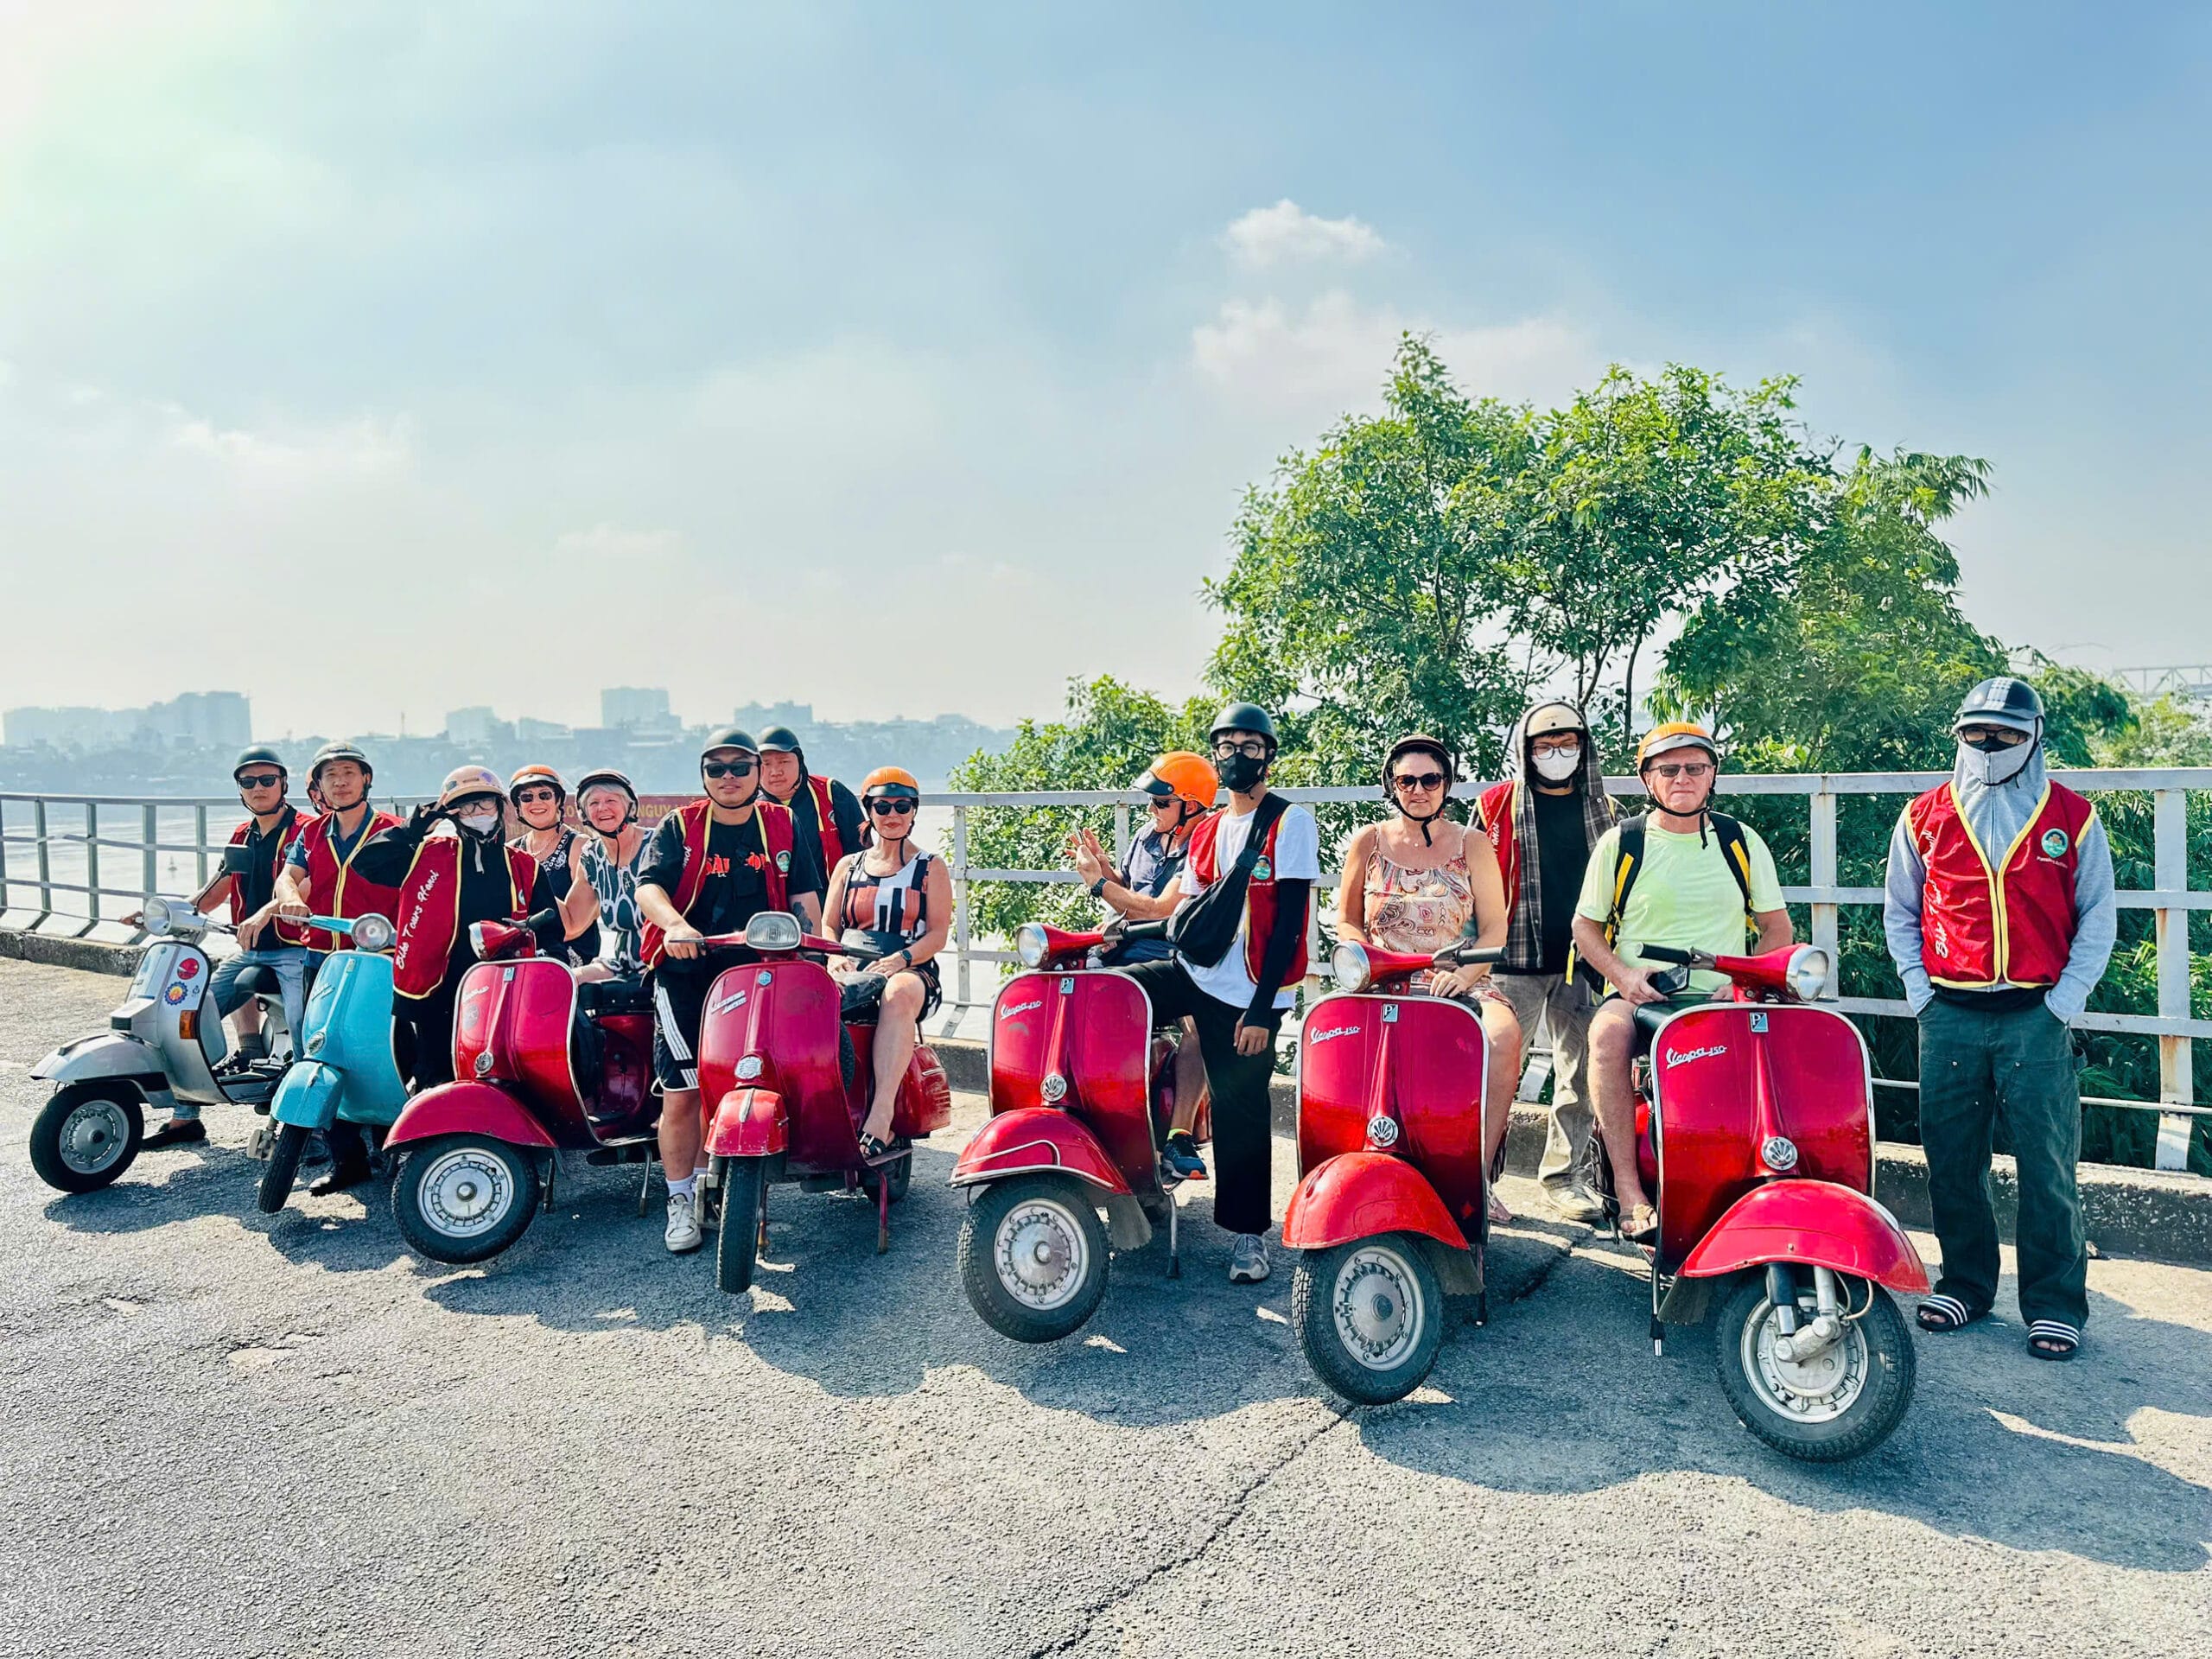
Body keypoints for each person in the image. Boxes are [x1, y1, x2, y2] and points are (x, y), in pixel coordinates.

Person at [1884, 677, 2115, 1362]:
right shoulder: (1924, 816)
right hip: (1949, 1011)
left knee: (2048, 1167)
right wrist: (1920, 993)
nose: (1990, 745)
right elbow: (1901, 910)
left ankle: (2055, 1305)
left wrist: (2063, 1002)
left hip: (2035, 1014)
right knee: (1952, 1160)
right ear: (1959, 734)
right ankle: (1966, 1284)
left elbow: (2098, 914)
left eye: (2007, 733)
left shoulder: (2072, 817)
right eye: (1977, 732)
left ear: (2034, 737)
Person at [1113, 703, 1319, 1285]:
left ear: (1268, 755)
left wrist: (1261, 1010)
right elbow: (1189, 915)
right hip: (1195, 973)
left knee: (1241, 1107)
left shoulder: (1289, 822)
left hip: (1251, 989)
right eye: (1227, 747)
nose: (1237, 756)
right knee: (1111, 995)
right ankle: (1137, 1161)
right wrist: (1122, 932)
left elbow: (1291, 924)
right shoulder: (1205, 829)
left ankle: (1249, 1235)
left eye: (1250, 746)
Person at [1570, 723, 1791, 1243]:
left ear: (1713, 775)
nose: (1682, 778)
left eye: (1695, 767)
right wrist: (1623, 976)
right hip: (1641, 993)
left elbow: (1776, 928)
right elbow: (1585, 926)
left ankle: (1767, 1170)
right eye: (1668, 769)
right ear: (1647, 779)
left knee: (1786, 1041)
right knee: (1606, 1036)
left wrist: (1741, 979)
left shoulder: (1740, 841)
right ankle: (1629, 1188)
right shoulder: (1623, 842)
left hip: (1723, 993)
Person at [635, 730, 825, 1254]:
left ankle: (717, 1184)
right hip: (687, 971)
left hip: (759, 972)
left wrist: (815, 956)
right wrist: (675, 926)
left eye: (740, 767)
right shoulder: (680, 826)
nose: (729, 777)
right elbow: (648, 886)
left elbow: (804, 895)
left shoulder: (782, 824)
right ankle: (680, 1198)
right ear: (703, 776)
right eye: (716, 769)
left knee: (747, 1078)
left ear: (757, 773)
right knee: (684, 1089)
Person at [1338, 734, 1520, 1223]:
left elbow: (1494, 927)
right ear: (1391, 785)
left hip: (1456, 976)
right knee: (1333, 1035)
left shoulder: (1472, 844)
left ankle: (1476, 1177)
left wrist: (1466, 973)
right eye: (1406, 780)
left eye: (1430, 779)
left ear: (1446, 785)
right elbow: (1348, 920)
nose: (1418, 789)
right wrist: (1366, 962)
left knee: (1503, 1036)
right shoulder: (1368, 841)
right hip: (1383, 978)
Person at [1477, 702, 1618, 1223]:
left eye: (1566, 744)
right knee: (1494, 1072)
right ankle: (1477, 1179)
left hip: (1583, 961)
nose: (1556, 754)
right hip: (1511, 958)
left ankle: (1564, 1178)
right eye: (1544, 746)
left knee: (1579, 1074)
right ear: (1526, 750)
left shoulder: (1606, 810)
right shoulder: (1495, 807)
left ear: (1584, 747)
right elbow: (1471, 879)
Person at [351, 766, 563, 1111]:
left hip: (503, 995)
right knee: (434, 1083)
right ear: (452, 813)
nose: (477, 813)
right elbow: (366, 864)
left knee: (503, 1080)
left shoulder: (525, 866)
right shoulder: (427, 853)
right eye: (465, 806)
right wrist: (420, 822)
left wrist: (551, 969)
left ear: (500, 807)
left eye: (484, 803)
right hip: (436, 991)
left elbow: (552, 933)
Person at [143, 747, 309, 1147]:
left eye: (267, 780)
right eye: (248, 782)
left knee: (305, 1032)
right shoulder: (242, 836)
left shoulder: (306, 831)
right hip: (250, 951)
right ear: (239, 789)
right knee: (186, 1014)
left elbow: (305, 885)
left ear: (283, 784)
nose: (258, 788)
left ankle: (309, 1129)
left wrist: (269, 914)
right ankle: (186, 1117)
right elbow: (214, 892)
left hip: (295, 951)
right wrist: (165, 913)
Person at [1070, 752, 1217, 1180]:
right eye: (1150, 800)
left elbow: (1159, 910)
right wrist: (1108, 872)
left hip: (1172, 955)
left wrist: (1097, 884)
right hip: (1123, 949)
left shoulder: (1203, 847)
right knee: (1062, 985)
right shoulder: (1147, 837)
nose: (1151, 809)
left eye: (1161, 802)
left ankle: (1179, 1135)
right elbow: (1132, 893)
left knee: (1199, 1025)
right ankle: (1075, 1103)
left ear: (1191, 806)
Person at [822, 767, 955, 1158]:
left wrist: (901, 959)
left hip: (912, 968)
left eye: (902, 806)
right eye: (883, 806)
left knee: (897, 994)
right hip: (852, 967)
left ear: (914, 811)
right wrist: (833, 958)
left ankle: (881, 1115)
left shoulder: (930, 866)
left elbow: (938, 934)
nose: (892, 814)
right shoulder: (848, 866)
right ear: (870, 811)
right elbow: (829, 926)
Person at [272, 741, 403, 976]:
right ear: (320, 784)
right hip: (319, 956)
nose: (340, 782)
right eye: (330, 775)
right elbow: (287, 877)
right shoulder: (312, 832)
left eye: (348, 773)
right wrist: (291, 899)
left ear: (366, 778)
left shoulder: (395, 831)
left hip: (378, 954)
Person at [507, 765, 601, 966]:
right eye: (527, 797)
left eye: (544, 795)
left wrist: (530, 876)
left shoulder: (581, 846)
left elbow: (572, 927)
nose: (536, 802)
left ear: (558, 800)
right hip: (521, 952)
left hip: (567, 957)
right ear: (518, 806)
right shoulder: (511, 851)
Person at [757, 726, 865, 887]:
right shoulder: (750, 807)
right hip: (775, 898)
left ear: (800, 762)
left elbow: (862, 854)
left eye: (783, 762)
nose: (775, 772)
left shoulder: (832, 794)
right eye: (766, 764)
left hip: (831, 894)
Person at [572, 767, 650, 982]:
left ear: (630, 806)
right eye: (593, 803)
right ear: (584, 813)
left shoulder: (657, 845)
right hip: (621, 963)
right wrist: (533, 874)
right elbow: (572, 923)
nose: (602, 808)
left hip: (664, 960)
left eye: (611, 800)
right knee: (563, 982)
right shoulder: (591, 856)